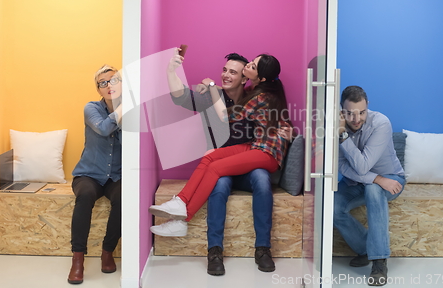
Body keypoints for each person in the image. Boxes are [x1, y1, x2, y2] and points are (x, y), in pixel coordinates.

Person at [150, 53, 290, 273]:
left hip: (253, 159)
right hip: (231, 164)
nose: (226, 75)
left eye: (234, 71)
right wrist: (171, 71)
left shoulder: (254, 96)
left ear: (246, 77)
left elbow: (240, 115)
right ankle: (214, 251)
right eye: (224, 70)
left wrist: (287, 129)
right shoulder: (210, 97)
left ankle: (263, 248)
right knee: (216, 173)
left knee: (262, 179)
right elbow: (180, 96)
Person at [334, 86, 405, 287]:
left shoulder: (381, 123)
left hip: (391, 179)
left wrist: (342, 136)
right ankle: (367, 249)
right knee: (332, 208)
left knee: (374, 190)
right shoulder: (334, 126)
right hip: (357, 182)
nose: (356, 119)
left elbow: (363, 165)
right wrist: (377, 178)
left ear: (368, 107)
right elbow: (342, 167)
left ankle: (379, 262)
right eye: (350, 114)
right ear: (341, 111)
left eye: (362, 112)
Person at [68, 65, 122, 285]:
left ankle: (107, 252)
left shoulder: (131, 112)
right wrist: (121, 109)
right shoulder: (91, 108)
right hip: (88, 174)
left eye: (113, 80)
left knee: (123, 199)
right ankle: (77, 260)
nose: (109, 85)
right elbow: (102, 128)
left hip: (115, 176)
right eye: (103, 83)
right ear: (98, 89)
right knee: (85, 197)